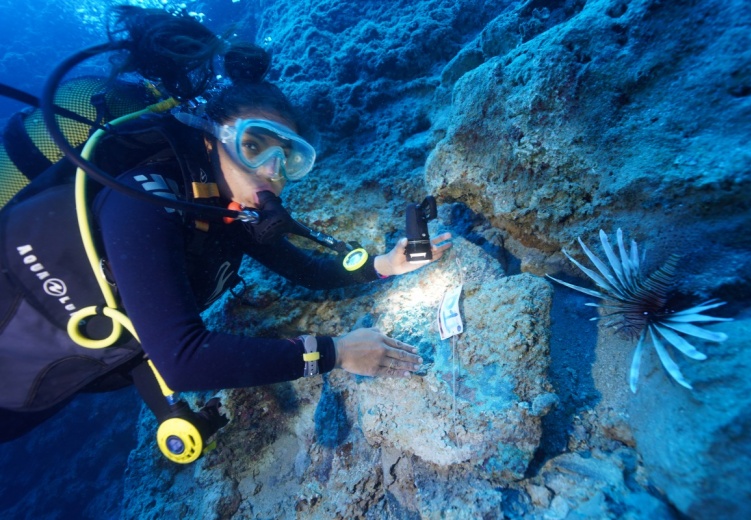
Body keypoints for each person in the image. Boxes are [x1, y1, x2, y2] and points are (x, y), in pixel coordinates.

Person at [0, 6, 451, 457]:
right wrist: (336, 352)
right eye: (254, 146)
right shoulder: (142, 199)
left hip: (49, 378)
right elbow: (182, 361)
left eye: (288, 159)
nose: (270, 173)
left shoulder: (221, 211)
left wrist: (384, 265)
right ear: (211, 137)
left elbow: (307, 271)